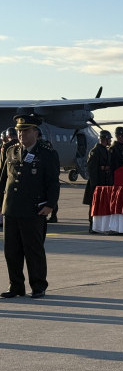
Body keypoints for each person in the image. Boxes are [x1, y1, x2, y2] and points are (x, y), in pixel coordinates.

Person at [1, 114, 60, 299]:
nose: (21, 135)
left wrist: (50, 205)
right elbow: (3, 180)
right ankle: (16, 286)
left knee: (33, 250)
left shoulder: (47, 153)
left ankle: (38, 285)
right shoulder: (11, 151)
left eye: (25, 131)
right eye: (19, 131)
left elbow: (52, 182)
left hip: (34, 209)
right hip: (11, 209)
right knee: (12, 251)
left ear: (35, 132)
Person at [83, 130, 112, 232]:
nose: (110, 141)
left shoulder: (106, 150)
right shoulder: (95, 151)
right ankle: (92, 225)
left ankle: (100, 225)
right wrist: (95, 186)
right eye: (109, 139)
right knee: (93, 204)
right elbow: (92, 169)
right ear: (105, 139)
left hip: (104, 181)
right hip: (96, 182)